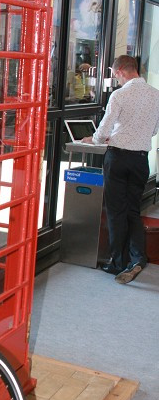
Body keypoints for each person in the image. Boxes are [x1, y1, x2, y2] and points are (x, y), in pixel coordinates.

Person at [82, 54, 159, 283]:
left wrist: (94, 139)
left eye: (115, 75)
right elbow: (154, 130)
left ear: (122, 71)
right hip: (140, 160)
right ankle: (137, 258)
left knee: (116, 211)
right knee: (133, 210)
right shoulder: (156, 95)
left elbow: (104, 130)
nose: (116, 80)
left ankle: (117, 263)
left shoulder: (120, 95)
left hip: (117, 159)